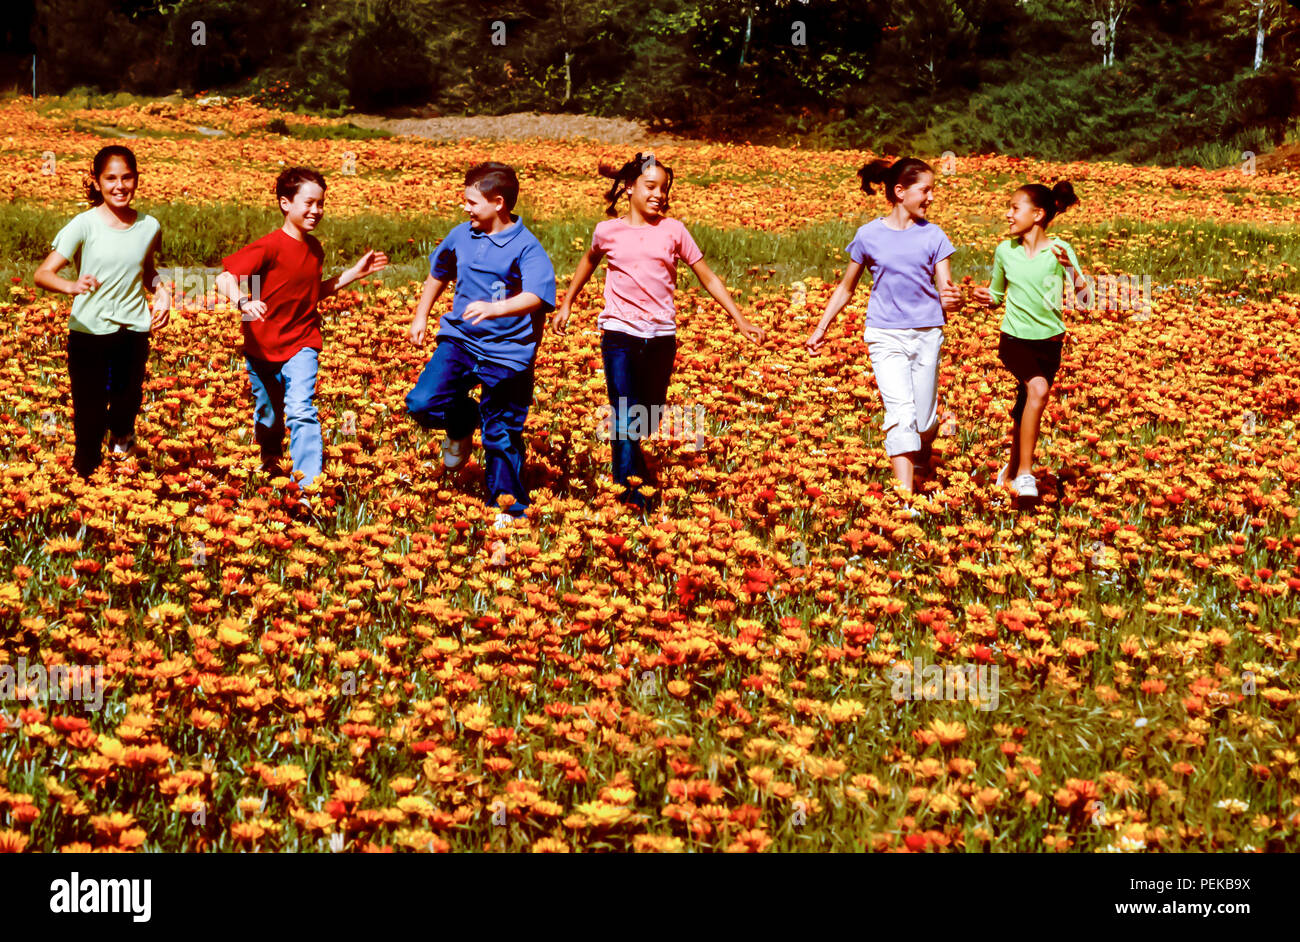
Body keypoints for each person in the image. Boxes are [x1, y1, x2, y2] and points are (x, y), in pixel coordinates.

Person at [553, 152, 764, 509]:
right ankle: (631, 496)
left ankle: (636, 475)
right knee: (622, 412)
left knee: (646, 415)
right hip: (618, 334)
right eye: (651, 186)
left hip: (661, 337)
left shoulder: (673, 230)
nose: (659, 194)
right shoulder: (608, 231)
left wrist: (739, 319)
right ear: (629, 187)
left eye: (664, 188)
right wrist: (567, 302)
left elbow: (707, 276)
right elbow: (587, 262)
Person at [216, 166, 387, 501]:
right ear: (285, 203)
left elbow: (313, 293)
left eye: (321, 204)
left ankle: (310, 488)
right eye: (309, 203)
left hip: (302, 343)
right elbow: (224, 278)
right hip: (262, 348)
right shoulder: (268, 247)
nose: (316, 211)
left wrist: (352, 273)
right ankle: (270, 458)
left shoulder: (315, 249)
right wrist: (242, 301)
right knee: (268, 413)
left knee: (300, 409)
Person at [405, 162, 556, 526]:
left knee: (501, 432)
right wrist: (421, 315)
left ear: (498, 203)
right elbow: (438, 272)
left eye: (472, 202)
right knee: (422, 402)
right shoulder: (461, 235)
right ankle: (463, 420)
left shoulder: (526, 246)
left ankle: (507, 508)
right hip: (460, 341)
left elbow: (538, 295)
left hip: (509, 352)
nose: (465, 208)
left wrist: (495, 308)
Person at [807, 157, 962, 495]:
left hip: (926, 333)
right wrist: (821, 328)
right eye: (926, 190)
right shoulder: (869, 235)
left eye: (933, 190)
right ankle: (904, 501)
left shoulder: (935, 236)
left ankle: (923, 446)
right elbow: (846, 288)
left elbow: (946, 289)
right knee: (900, 412)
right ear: (900, 191)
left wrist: (955, 299)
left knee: (923, 420)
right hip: (885, 334)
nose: (931, 198)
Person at [34, 145, 170, 478]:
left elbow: (146, 269)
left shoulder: (149, 226)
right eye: (110, 178)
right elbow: (43, 273)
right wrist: (71, 286)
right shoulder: (84, 225)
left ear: (137, 180)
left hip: (134, 329)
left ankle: (122, 441)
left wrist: (162, 290)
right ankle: (86, 477)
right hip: (89, 331)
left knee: (127, 404)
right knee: (90, 414)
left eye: (126, 178)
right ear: (96, 182)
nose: (119, 186)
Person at [973, 181, 1088, 499]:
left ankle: (1008, 473)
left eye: (1014, 208)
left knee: (1026, 405)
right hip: (1014, 340)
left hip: (1049, 342)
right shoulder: (1004, 251)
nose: (1008, 214)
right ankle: (1025, 475)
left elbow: (1086, 298)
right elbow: (996, 295)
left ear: (1037, 214)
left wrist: (1072, 272)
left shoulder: (1060, 250)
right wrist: (983, 296)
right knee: (1037, 390)